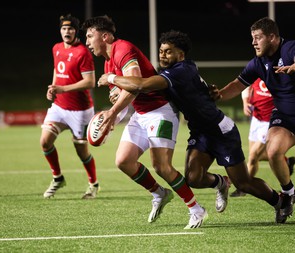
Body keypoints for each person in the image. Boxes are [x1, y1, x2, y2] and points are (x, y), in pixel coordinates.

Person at [98, 30, 284, 223]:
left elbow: (142, 85)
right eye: (161, 51)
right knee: (193, 178)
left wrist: (111, 78)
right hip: (200, 132)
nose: (163, 55)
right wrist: (120, 90)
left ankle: (280, 201)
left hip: (221, 131)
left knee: (244, 183)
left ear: (181, 55)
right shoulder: (172, 73)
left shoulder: (181, 70)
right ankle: (221, 183)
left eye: (168, 51)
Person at [82, 16, 214, 229]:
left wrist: (113, 112)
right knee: (124, 161)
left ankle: (196, 209)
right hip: (141, 114)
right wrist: (116, 114)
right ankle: (159, 193)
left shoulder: (122, 49)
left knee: (161, 166)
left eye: (90, 36)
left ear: (104, 35)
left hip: (161, 112)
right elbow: (126, 95)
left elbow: (136, 86)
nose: (87, 42)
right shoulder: (108, 61)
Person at [214, 17, 295, 224]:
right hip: (285, 116)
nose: (253, 42)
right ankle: (289, 192)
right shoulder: (257, 63)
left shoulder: (290, 48)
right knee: (273, 150)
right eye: (252, 38)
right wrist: (218, 95)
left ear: (273, 37)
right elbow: (237, 85)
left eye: (258, 38)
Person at [40, 14, 99, 199]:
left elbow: (90, 82)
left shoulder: (83, 52)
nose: (67, 32)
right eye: (64, 28)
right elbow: (57, 70)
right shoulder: (56, 48)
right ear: (60, 30)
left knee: (81, 151)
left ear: (76, 31)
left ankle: (93, 183)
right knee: (45, 142)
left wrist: (63, 88)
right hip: (59, 107)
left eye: (71, 29)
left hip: (80, 111)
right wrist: (53, 89)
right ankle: (57, 178)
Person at [229, 78, 295, 197]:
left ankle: (243, 188)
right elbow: (245, 85)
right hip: (256, 118)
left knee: (253, 156)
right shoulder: (256, 68)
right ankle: (286, 161)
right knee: (255, 157)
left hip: (270, 121)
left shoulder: (278, 72)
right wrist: (245, 102)